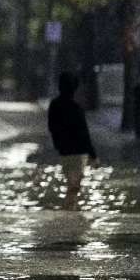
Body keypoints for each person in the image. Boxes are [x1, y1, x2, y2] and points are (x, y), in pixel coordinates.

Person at [48, 72, 97, 210]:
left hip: (64, 151)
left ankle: (70, 208)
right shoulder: (76, 107)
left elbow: (52, 127)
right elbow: (84, 132)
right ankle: (69, 209)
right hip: (79, 152)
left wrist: (58, 144)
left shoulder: (54, 105)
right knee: (74, 185)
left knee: (71, 183)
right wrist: (93, 154)